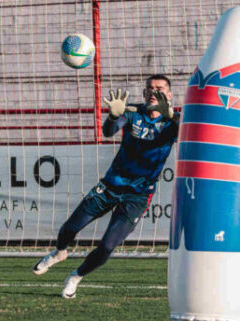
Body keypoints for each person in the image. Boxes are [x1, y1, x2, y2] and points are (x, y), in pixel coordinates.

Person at [33, 74, 180, 299]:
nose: (153, 92)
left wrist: (172, 115)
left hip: (138, 196)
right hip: (111, 186)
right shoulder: (132, 113)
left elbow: (189, 130)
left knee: (107, 246)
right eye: (149, 88)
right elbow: (109, 131)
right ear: (143, 93)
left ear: (169, 95)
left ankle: (76, 276)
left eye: (159, 88)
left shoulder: (174, 122)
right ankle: (59, 253)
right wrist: (113, 116)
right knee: (69, 228)